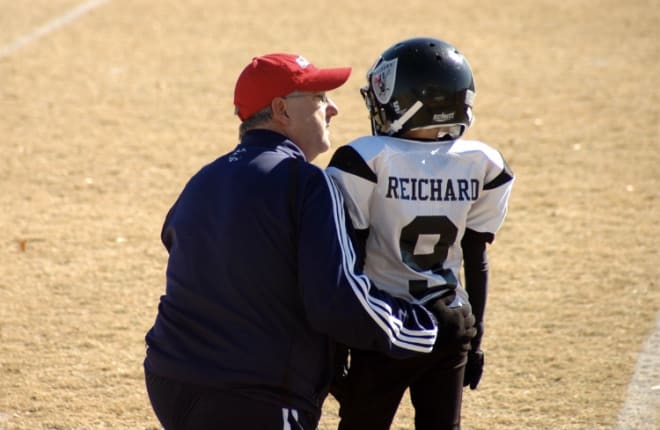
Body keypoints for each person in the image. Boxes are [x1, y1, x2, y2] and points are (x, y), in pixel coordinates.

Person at [143, 52, 476, 430]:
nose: (332, 108)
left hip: (169, 378)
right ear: (281, 109)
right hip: (253, 395)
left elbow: (181, 246)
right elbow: (336, 301)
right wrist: (425, 327)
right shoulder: (306, 182)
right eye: (319, 97)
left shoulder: (203, 178)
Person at [326, 37, 515, 430]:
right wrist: (475, 337)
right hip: (451, 321)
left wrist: (337, 344)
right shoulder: (483, 162)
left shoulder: (364, 159)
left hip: (385, 325)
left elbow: (349, 258)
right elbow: (476, 257)